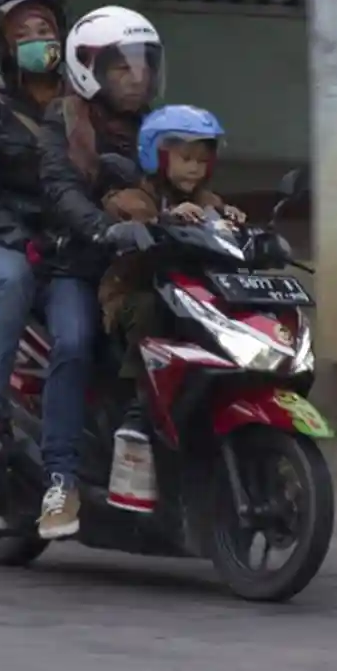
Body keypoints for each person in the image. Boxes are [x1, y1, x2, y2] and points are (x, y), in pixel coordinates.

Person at [31, 6, 165, 538]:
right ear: (90, 69)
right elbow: (60, 189)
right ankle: (59, 480)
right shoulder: (62, 123)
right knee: (75, 343)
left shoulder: (157, 125)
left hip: (140, 267)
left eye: (144, 64)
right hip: (77, 265)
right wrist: (101, 228)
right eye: (121, 67)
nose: (137, 77)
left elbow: (184, 179)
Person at [97, 105, 245, 481]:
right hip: (132, 294)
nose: (194, 168)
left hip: (188, 298)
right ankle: (138, 408)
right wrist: (167, 218)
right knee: (150, 310)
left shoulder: (207, 200)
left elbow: (220, 216)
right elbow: (129, 213)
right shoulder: (136, 196)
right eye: (185, 159)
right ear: (157, 155)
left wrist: (234, 219)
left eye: (202, 160)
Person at [0, 0, 68, 459]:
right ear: (3, 47)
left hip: (68, 240)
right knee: (14, 278)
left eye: (45, 28)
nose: (38, 40)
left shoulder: (81, 104)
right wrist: (21, 240)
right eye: (23, 34)